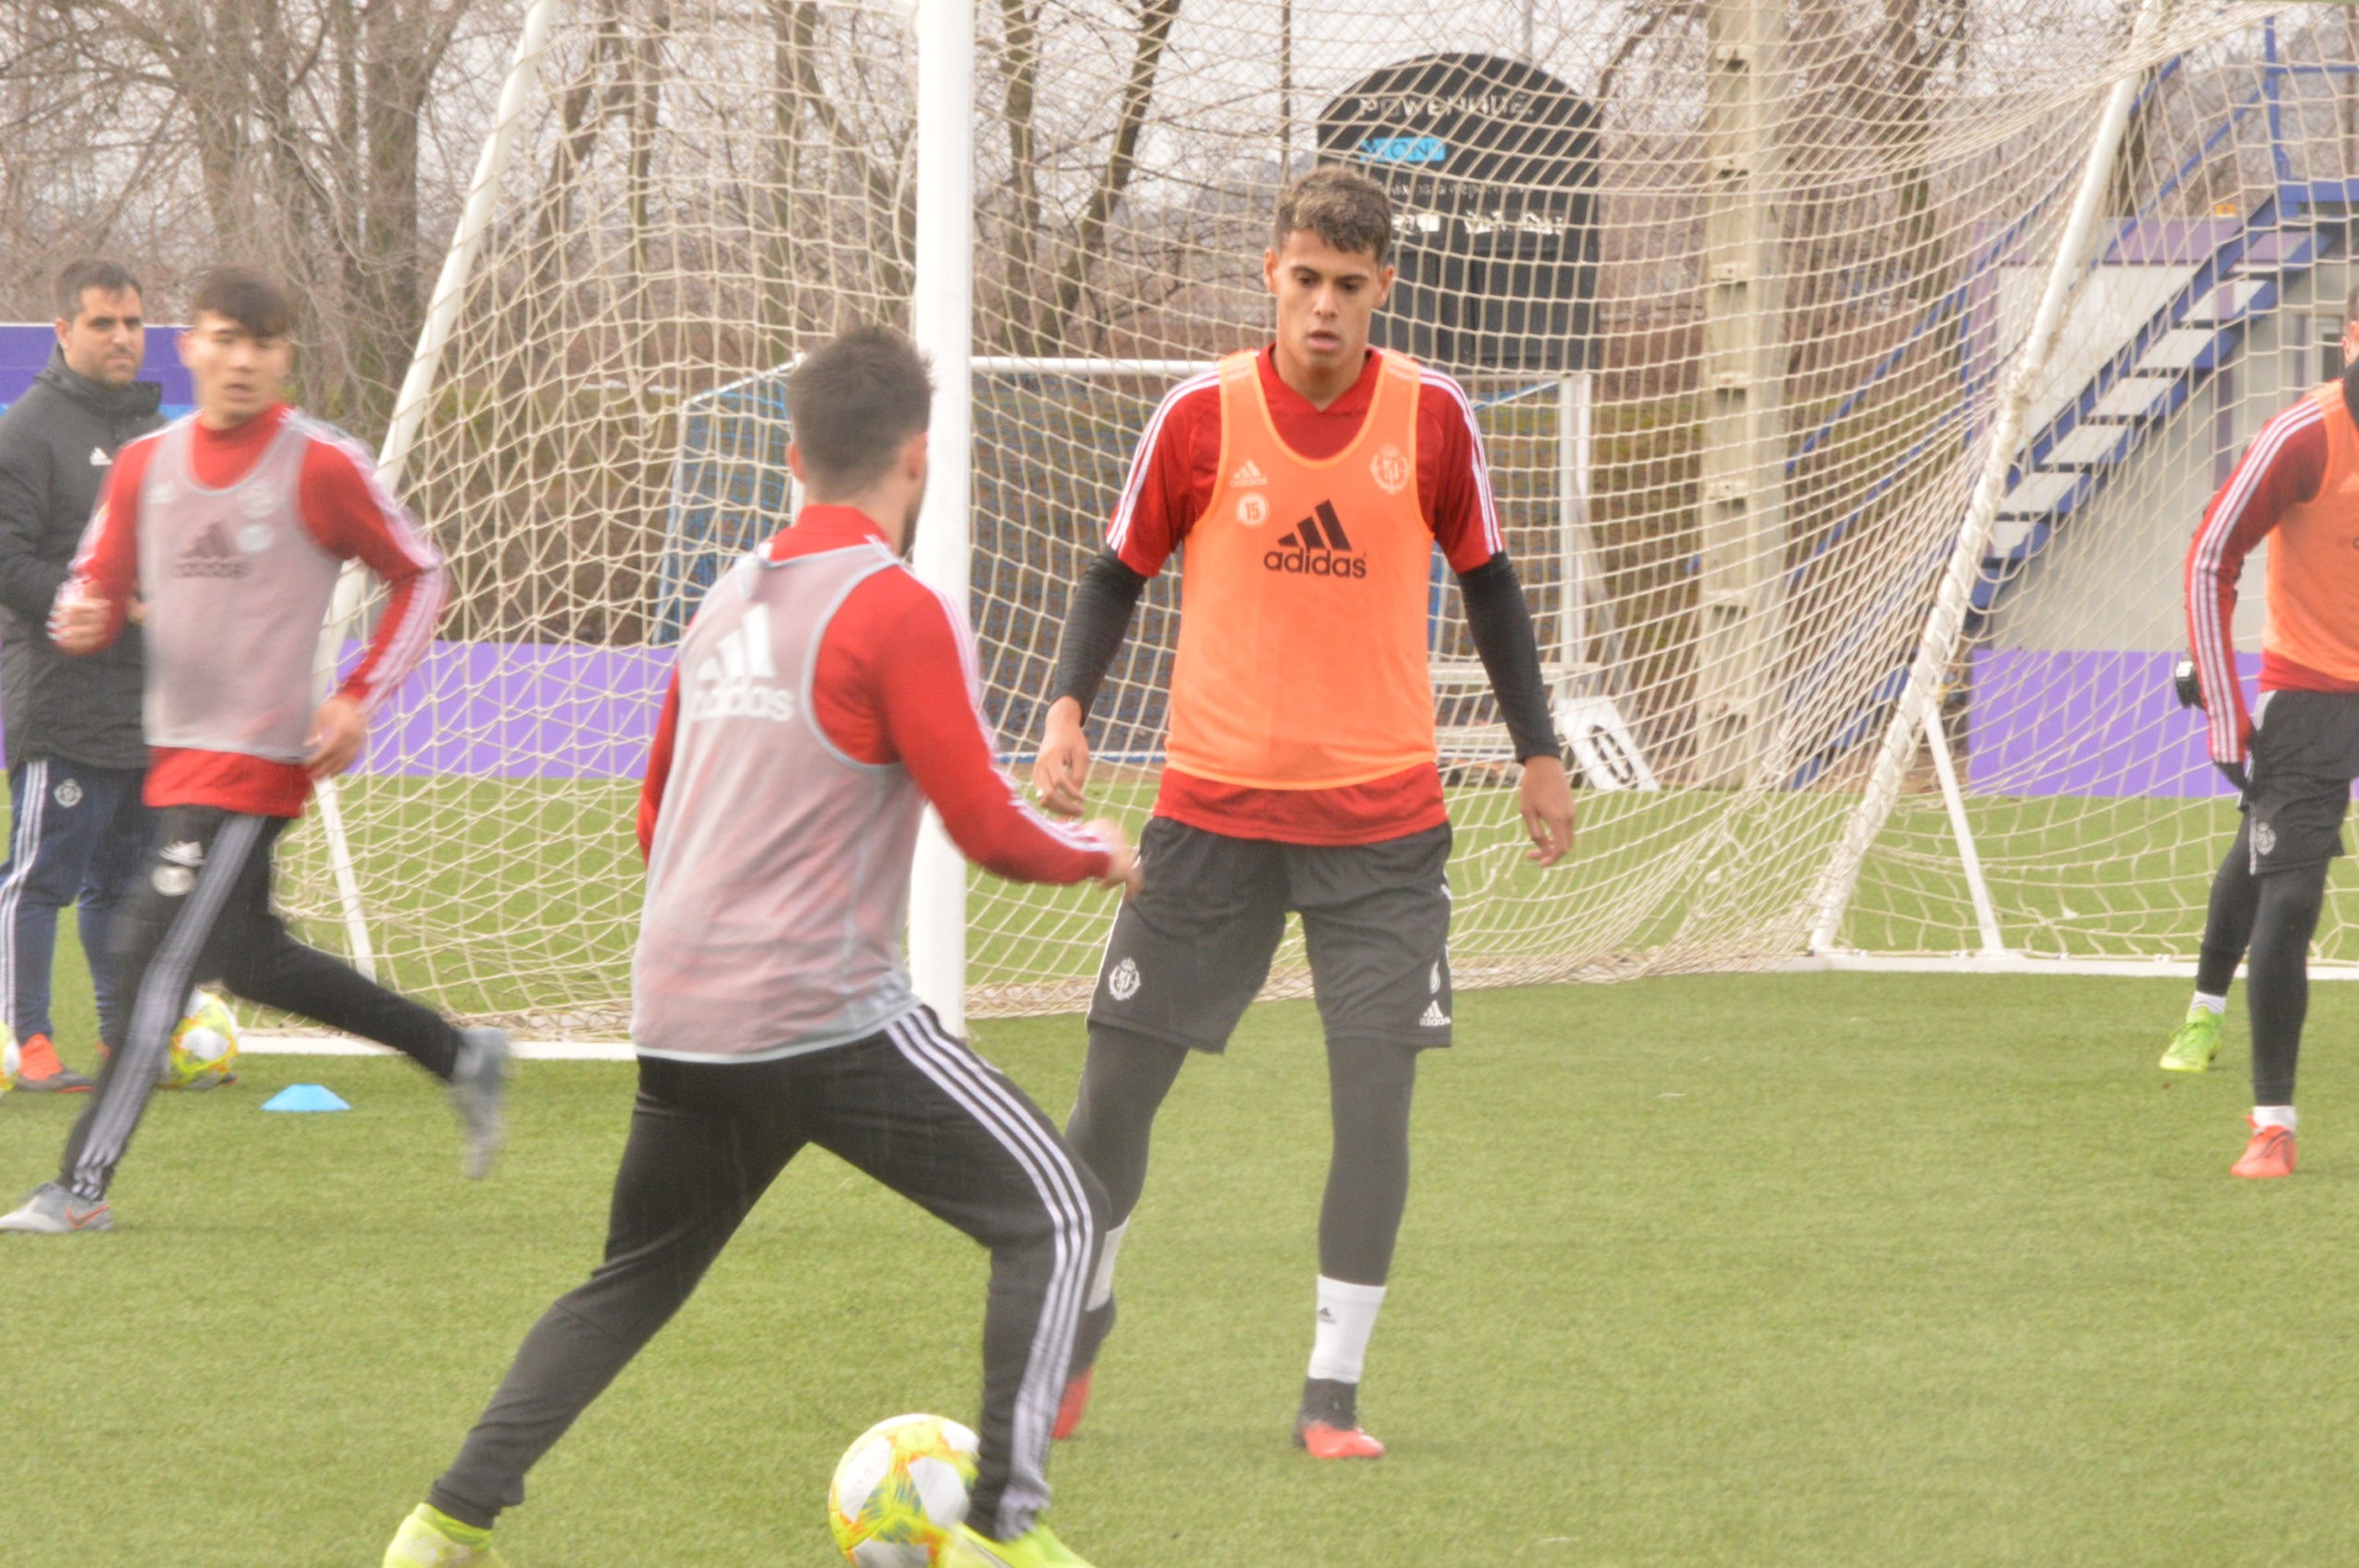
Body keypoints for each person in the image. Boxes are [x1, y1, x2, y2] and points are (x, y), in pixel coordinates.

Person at [381, 325, 1136, 1568]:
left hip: (681, 1013)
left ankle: (444, 1521)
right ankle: (1001, 1530)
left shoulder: (722, 600)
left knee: (629, 1280)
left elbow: (650, 815)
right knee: (1059, 1210)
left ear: (792, 457)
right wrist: (1095, 851)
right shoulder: (896, 609)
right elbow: (987, 827)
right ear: (918, 456)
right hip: (818, 1016)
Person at [1030, 166, 1578, 1457]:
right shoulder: (1199, 416)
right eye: (1305, 280)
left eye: (1349, 284)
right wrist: (1065, 706)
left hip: (1385, 833)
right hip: (1210, 820)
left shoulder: (1433, 417)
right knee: (1111, 1102)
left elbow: (1490, 586)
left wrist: (1539, 753)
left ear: (1383, 286)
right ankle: (1082, 1330)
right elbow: (1114, 573)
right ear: (1271, 276)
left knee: (1374, 1103)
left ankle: (1331, 1393)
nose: (1324, 307)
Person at [0, 266, 506, 1235]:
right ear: (190, 346)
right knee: (252, 959)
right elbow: (86, 586)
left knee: (148, 956)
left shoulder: (320, 464)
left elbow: (423, 574)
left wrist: (357, 698)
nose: (241, 360)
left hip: (256, 764)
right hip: (172, 757)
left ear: (284, 358)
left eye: (263, 344)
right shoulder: (149, 462)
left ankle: (78, 1189)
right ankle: (457, 1054)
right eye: (224, 339)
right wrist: (80, 616)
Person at [2167, 287, 2359, 1179]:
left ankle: (2207, 1004)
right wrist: (2221, 702)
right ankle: (2271, 1121)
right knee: (2285, 894)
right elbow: (2212, 556)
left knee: (2259, 854)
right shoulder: (2302, 438)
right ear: (2350, 338)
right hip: (2313, 690)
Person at [0, 260, 166, 1091]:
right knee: (40, 879)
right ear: (62, 332)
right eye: (103, 323)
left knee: (123, 881)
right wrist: (89, 605)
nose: (122, 338)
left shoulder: (156, 432)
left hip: (142, 702)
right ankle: (29, 1043)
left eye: (133, 322)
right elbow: (7, 561)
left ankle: (121, 1044)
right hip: (58, 698)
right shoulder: (27, 431)